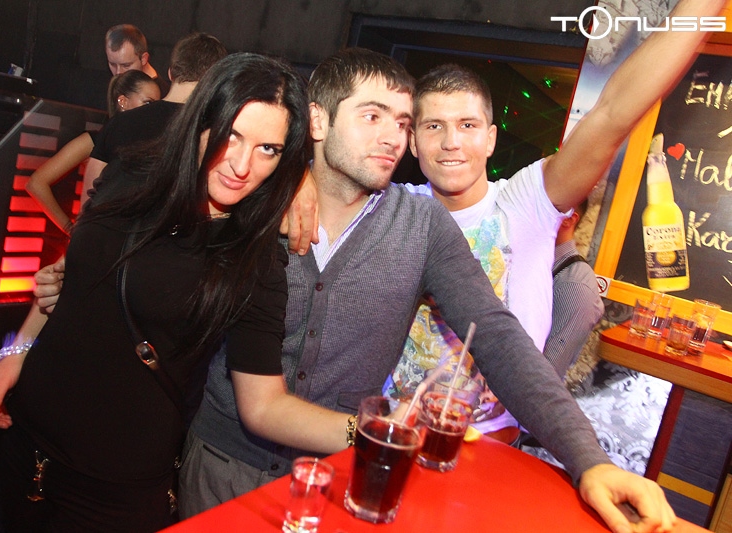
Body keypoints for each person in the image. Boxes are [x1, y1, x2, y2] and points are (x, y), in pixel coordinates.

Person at [175, 46, 677, 533]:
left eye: (402, 122)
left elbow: (499, 339)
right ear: (319, 121)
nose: (392, 137)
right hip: (222, 467)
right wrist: (290, 179)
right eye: (373, 116)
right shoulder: (255, 197)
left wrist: (590, 460)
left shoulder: (421, 224)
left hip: (343, 477)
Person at [0, 52, 310, 532]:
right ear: (200, 121)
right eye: (230, 135)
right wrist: (17, 352)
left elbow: (264, 404)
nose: (241, 165)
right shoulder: (130, 172)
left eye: (268, 149)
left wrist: (369, 431)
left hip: (115, 487)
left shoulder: (254, 257)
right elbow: (72, 276)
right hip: (26, 445)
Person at [386, 0, 725, 442]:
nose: (451, 142)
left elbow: (613, 112)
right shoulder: (391, 207)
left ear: (490, 139)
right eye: (434, 126)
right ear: (413, 141)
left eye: (468, 125)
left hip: (485, 445)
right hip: (389, 429)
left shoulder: (525, 202)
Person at [83, 32, 228, 203]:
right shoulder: (211, 135)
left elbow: (88, 199)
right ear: (214, 82)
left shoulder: (120, 121)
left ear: (170, 73)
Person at [26, 70, 160, 235]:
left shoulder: (151, 147)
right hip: (95, 238)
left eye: (158, 106)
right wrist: (70, 229)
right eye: (148, 103)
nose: (155, 112)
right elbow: (36, 183)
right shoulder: (94, 141)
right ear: (123, 102)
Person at [543, 200, 604, 380]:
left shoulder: (575, 285)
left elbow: (546, 375)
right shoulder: (525, 259)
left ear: (568, 220)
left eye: (543, 204)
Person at [105, 24, 169, 96]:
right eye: (112, 64)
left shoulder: (159, 94)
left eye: (126, 65)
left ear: (143, 59)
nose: (118, 72)